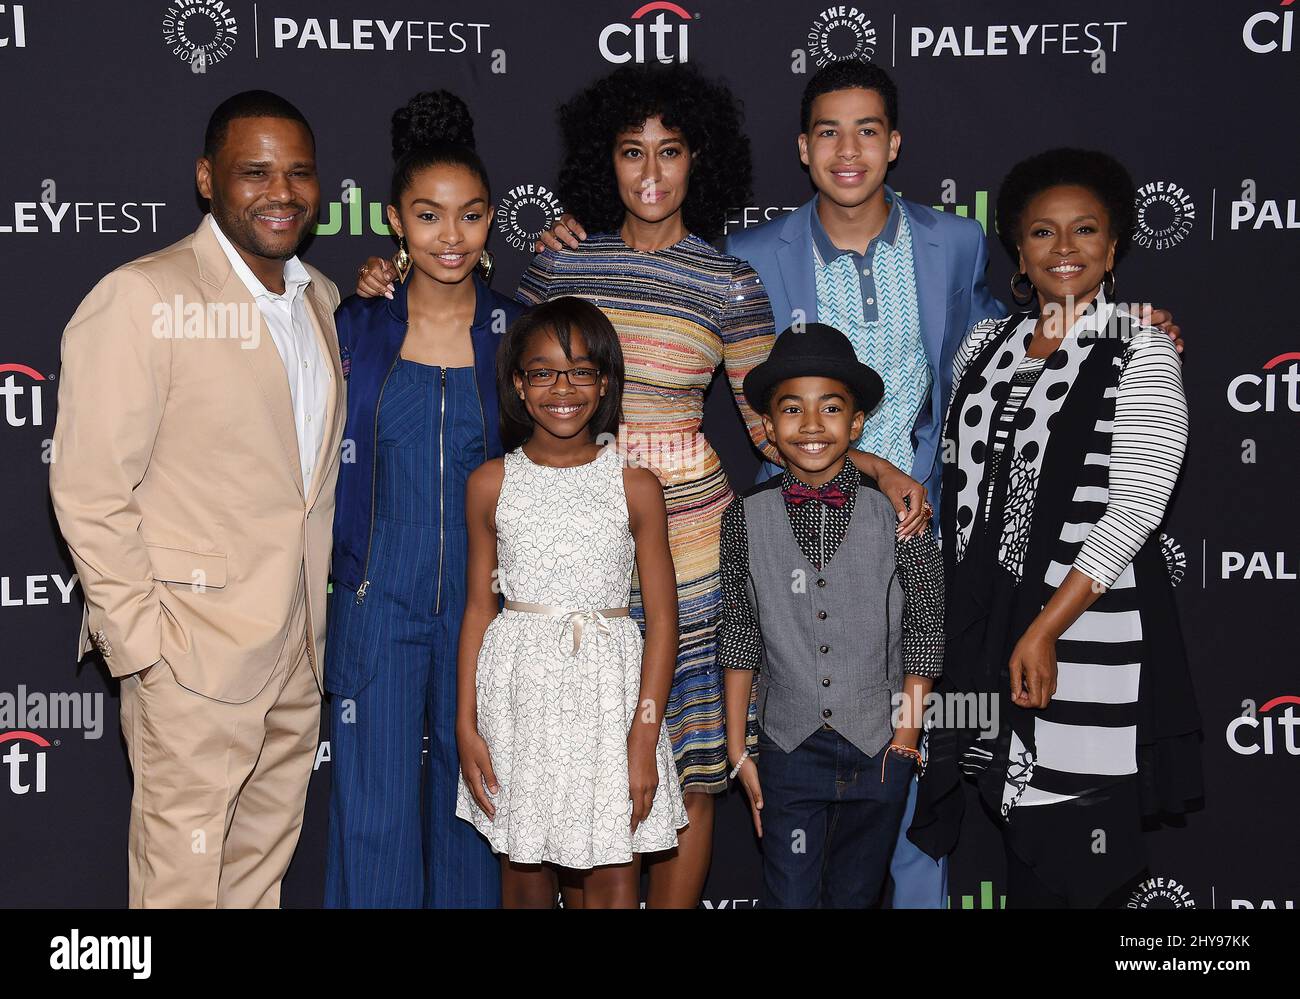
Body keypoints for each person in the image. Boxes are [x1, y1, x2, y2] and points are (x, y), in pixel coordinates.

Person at [357, 63, 927, 907]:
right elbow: (475, 332)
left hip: (691, 550)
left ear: (700, 160)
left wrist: (874, 464)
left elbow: (772, 421)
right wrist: (384, 280)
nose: (652, 172)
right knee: (571, 763)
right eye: (632, 152)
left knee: (685, 766)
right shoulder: (557, 268)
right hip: (569, 543)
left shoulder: (730, 282)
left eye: (670, 151)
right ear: (606, 161)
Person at [49, 91, 343, 908]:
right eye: (255, 171)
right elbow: (87, 487)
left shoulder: (319, 300)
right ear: (208, 179)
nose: (280, 191)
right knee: (180, 887)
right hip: (189, 655)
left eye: (298, 173)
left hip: (295, 652)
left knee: (257, 876)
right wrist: (144, 647)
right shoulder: (143, 297)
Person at [909, 149, 1202, 908]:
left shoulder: (1141, 350)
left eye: (1084, 230)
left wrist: (1042, 630)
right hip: (980, 637)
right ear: (1017, 247)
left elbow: (1134, 507)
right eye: (1042, 231)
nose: (1064, 248)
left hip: (1080, 636)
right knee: (1006, 840)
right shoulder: (984, 347)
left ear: (1113, 247)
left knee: (1070, 852)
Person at [324, 92, 521, 908]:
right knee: (371, 811)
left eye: (470, 217)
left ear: (489, 223)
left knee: (476, 803)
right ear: (395, 221)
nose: (451, 237)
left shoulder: (520, 334)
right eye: (429, 216)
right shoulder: (355, 325)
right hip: (377, 593)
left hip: (489, 600)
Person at [455, 297, 688, 908]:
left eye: (582, 371)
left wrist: (645, 732)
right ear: (517, 383)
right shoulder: (490, 484)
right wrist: (465, 722)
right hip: (519, 699)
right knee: (524, 871)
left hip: (611, 702)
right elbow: (479, 609)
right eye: (544, 372)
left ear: (605, 382)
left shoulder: (635, 486)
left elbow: (663, 621)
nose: (563, 388)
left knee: (614, 871)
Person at [720, 323, 945, 908]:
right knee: (789, 898)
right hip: (787, 747)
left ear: (858, 423)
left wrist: (904, 738)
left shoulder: (900, 512)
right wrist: (737, 746)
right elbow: (741, 630)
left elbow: (926, 628)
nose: (813, 425)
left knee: (857, 897)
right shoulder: (744, 518)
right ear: (768, 428)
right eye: (792, 410)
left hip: (878, 748)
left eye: (831, 409)